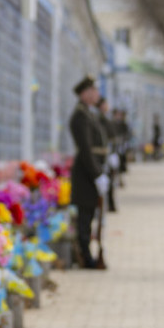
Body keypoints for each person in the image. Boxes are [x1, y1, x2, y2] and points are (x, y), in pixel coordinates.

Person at [69, 75, 108, 269]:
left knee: (90, 214)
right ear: (84, 93)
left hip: (91, 172)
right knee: (85, 217)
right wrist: (97, 174)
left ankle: (87, 254)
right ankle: (85, 256)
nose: (96, 94)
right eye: (93, 91)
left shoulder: (88, 113)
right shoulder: (80, 116)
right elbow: (86, 149)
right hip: (86, 174)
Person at [96, 96, 118, 212]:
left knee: (111, 181)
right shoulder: (98, 119)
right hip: (102, 156)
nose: (107, 106)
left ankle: (110, 204)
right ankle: (108, 205)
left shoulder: (105, 118)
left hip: (108, 153)